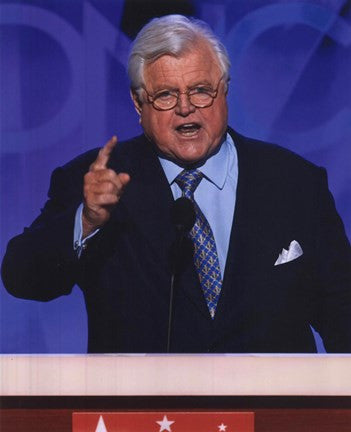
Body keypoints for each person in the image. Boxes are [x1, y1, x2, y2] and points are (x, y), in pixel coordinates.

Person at [2, 15, 351, 353]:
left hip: (273, 409)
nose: (186, 108)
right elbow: (23, 278)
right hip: (144, 411)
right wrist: (87, 221)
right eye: (166, 95)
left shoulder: (293, 182)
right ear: (139, 104)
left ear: (224, 90)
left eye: (201, 90)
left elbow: (342, 313)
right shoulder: (97, 180)